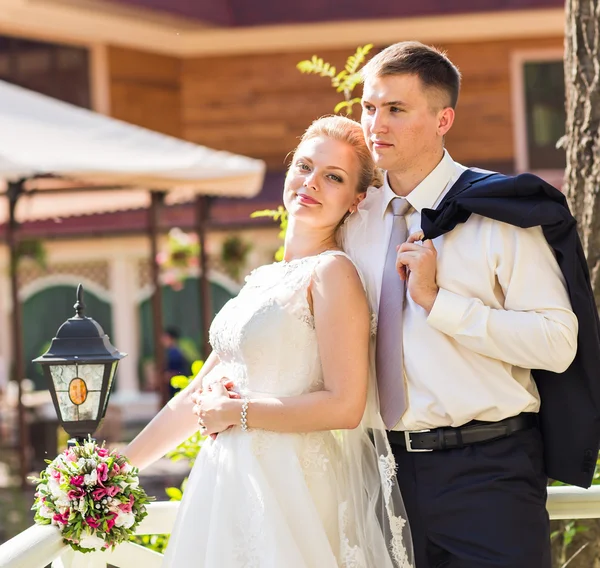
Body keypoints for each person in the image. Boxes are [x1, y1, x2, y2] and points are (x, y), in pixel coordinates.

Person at [340, 41, 595, 568]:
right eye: (368, 107)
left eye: (395, 109)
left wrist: (439, 303)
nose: (375, 124)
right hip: (378, 475)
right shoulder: (352, 219)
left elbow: (557, 343)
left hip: (488, 473)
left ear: (443, 119)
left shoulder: (498, 213)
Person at [124, 115, 414, 568]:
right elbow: (194, 397)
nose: (311, 182)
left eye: (332, 177)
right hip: (227, 483)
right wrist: (113, 475)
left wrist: (236, 412)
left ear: (357, 200)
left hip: (291, 485)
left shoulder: (333, 273)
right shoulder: (263, 278)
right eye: (304, 166)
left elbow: (345, 405)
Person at [161, 327, 191, 398]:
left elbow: (180, 371)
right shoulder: (177, 350)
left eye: (165, 338)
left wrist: (168, 375)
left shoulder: (174, 352)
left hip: (177, 384)